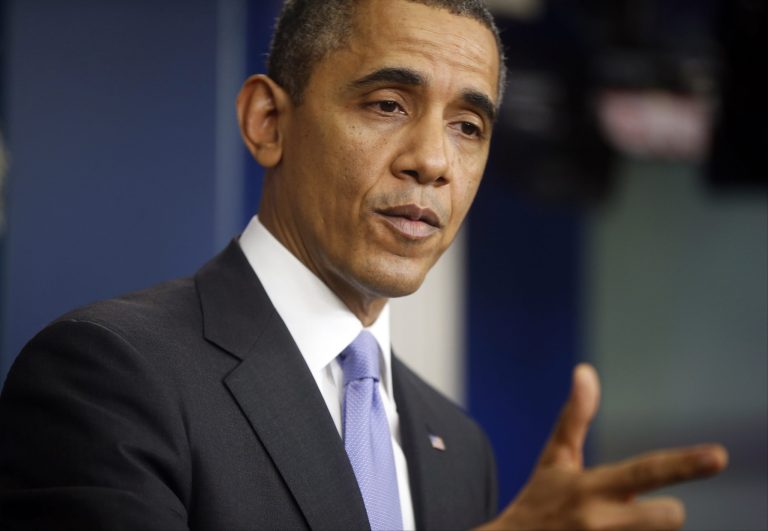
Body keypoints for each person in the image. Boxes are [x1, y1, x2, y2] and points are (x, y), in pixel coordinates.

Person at [0, 0, 727, 529]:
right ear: (268, 122)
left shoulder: (457, 446)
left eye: (468, 127)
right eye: (386, 104)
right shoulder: (109, 375)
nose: (433, 161)